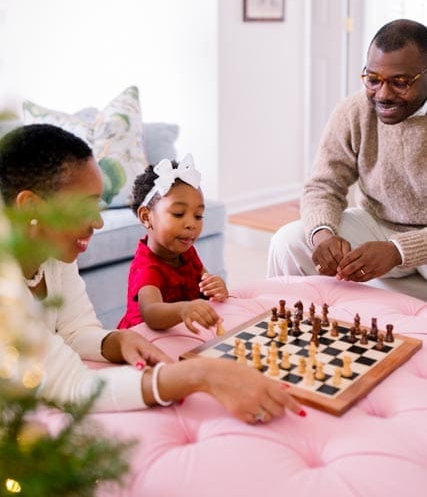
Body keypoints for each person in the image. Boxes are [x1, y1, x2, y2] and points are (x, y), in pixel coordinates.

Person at [0, 123, 303, 423]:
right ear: (30, 207)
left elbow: (75, 329)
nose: (98, 222)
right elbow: (75, 386)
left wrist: (117, 341)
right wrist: (201, 374)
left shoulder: (53, 252)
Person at [268, 18, 427, 285]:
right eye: (373, 79)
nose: (383, 94)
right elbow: (323, 185)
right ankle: (283, 323)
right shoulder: (354, 110)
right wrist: (323, 235)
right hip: (376, 224)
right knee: (287, 243)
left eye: (400, 82)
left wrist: (398, 250)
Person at [117, 155, 228, 332]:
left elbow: (205, 286)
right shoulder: (147, 267)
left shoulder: (186, 251)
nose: (191, 224)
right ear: (146, 217)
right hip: (145, 339)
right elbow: (151, 313)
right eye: (178, 213)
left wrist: (217, 287)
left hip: (180, 333)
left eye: (198, 216)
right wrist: (184, 309)